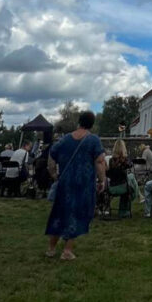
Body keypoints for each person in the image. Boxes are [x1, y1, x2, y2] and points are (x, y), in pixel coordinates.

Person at [45, 110, 106, 260]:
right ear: (91, 124)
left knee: (59, 213)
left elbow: (51, 157)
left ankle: (51, 249)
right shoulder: (93, 140)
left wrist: (54, 175)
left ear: (79, 121)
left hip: (65, 183)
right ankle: (67, 250)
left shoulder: (65, 139)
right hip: (83, 184)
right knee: (77, 214)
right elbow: (99, 161)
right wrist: (102, 180)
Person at [106, 139, 137, 218]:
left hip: (111, 188)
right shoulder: (125, 161)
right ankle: (124, 210)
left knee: (129, 181)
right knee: (130, 180)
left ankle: (122, 210)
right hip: (123, 188)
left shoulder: (110, 160)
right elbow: (130, 168)